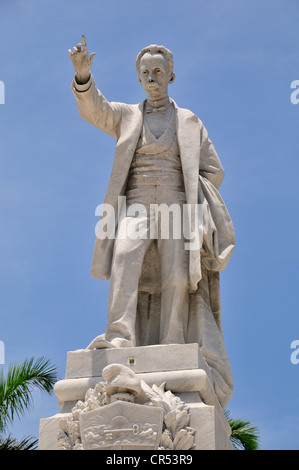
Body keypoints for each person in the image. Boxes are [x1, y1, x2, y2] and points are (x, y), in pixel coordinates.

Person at [68, 37, 235, 406]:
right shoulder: (128, 115)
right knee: (125, 261)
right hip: (137, 207)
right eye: (145, 72)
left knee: (177, 275)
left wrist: (197, 199)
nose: (151, 77)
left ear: (172, 75)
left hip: (177, 208)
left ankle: (172, 342)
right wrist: (84, 78)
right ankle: (118, 338)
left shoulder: (190, 121)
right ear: (139, 78)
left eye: (158, 71)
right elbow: (97, 111)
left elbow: (214, 170)